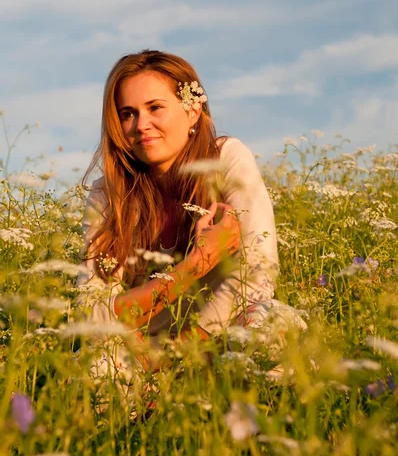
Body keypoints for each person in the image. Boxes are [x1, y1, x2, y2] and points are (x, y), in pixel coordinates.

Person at [77, 49, 306, 384]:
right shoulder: (107, 194)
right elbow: (93, 310)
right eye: (128, 114)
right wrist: (196, 263)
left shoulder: (226, 159)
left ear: (193, 109)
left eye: (155, 108)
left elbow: (257, 275)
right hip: (142, 348)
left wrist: (183, 349)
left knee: (270, 329)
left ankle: (262, 427)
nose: (142, 125)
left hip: (217, 335)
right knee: (95, 371)